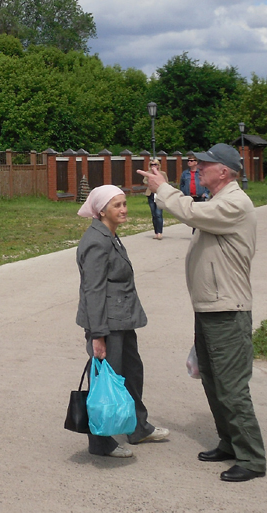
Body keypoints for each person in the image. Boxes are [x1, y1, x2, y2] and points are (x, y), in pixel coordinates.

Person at [138, 145, 266, 483]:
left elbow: (191, 213)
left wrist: (163, 188)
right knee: (212, 378)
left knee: (231, 385)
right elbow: (196, 211)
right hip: (211, 307)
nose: (199, 169)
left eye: (206, 165)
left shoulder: (235, 203)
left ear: (223, 171)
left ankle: (251, 458)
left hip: (227, 309)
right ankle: (229, 442)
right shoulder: (218, 201)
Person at [75, 184, 169, 459]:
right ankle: (100, 443)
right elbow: (93, 290)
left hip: (122, 319)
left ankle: (138, 427)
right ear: (102, 210)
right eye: (117, 205)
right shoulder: (96, 240)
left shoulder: (109, 235)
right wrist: (98, 335)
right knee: (106, 382)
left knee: (132, 373)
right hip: (107, 324)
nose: (124, 209)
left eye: (125, 203)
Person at [147, 159, 164, 239]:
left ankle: (160, 232)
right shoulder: (148, 174)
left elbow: (166, 183)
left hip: (159, 195)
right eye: (152, 165)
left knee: (158, 214)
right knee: (154, 214)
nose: (153, 166)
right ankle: (156, 232)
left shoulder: (162, 174)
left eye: (155, 164)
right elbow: (144, 181)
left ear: (158, 165)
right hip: (151, 194)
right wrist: (150, 175)